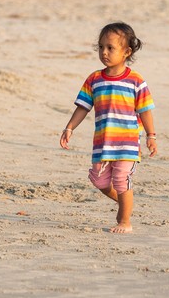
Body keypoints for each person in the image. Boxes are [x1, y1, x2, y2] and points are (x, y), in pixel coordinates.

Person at [60, 22, 156, 234]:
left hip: (127, 144)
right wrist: (69, 128)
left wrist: (151, 135)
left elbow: (145, 110)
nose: (104, 52)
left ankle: (125, 220)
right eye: (101, 47)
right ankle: (125, 202)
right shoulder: (94, 79)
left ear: (126, 52)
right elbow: (82, 107)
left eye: (110, 48)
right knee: (100, 181)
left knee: (121, 179)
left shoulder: (135, 80)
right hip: (103, 144)